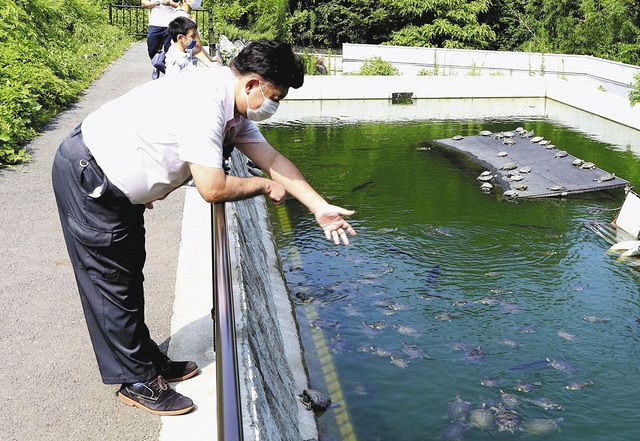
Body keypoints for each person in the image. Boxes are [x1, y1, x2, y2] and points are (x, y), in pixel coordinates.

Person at [51, 40, 356, 416]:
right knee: (109, 281)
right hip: (91, 176)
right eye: (274, 97)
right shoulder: (206, 103)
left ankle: (145, 359)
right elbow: (212, 189)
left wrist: (320, 207)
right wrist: (262, 185)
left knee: (128, 271)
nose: (273, 107)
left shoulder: (235, 112)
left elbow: (273, 159)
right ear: (251, 85)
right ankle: (134, 380)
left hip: (115, 182)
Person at [170, 0, 220, 66]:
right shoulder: (181, 17)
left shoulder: (185, 15)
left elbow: (197, 45)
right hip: (183, 61)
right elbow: (195, 46)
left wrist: (210, 59)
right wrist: (209, 63)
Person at [142, 0, 177, 77]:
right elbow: (144, 4)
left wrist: (171, 3)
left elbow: (182, 5)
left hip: (170, 24)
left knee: (169, 49)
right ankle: (157, 64)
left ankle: (169, 70)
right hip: (154, 24)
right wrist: (154, 3)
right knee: (152, 48)